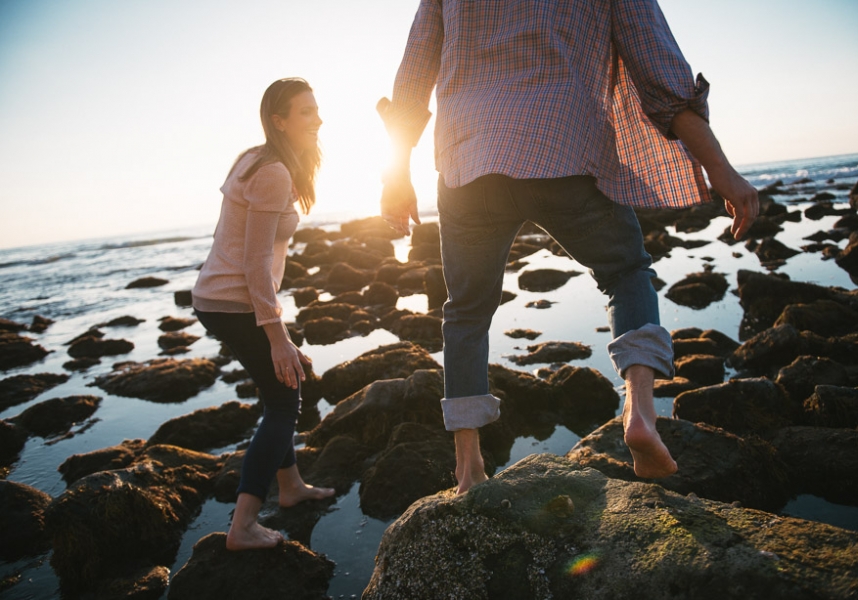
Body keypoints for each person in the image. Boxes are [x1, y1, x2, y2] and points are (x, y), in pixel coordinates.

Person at [377, 0, 759, 494]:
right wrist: (720, 170)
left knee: (466, 311)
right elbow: (661, 75)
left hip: (467, 157)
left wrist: (395, 175)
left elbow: (413, 72)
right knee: (625, 271)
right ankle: (639, 414)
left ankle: (469, 469)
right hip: (561, 142)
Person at [192, 77, 334, 550]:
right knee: (284, 401)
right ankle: (244, 524)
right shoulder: (272, 171)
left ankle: (290, 488)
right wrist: (277, 335)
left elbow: (229, 238)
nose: (318, 120)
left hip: (225, 297)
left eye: (317, 110)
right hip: (235, 301)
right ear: (280, 121)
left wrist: (274, 326)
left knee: (284, 387)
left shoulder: (254, 159)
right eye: (307, 113)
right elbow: (254, 261)